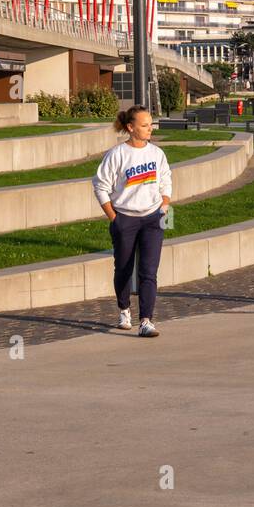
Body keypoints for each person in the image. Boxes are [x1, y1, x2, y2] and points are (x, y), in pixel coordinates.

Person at [93, 105, 173, 338]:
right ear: (131, 127)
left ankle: (146, 321)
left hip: (152, 219)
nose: (150, 129)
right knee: (124, 269)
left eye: (151, 124)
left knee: (149, 271)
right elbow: (100, 185)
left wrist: (164, 204)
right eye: (145, 125)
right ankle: (124, 309)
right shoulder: (117, 154)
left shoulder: (157, 154)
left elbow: (166, 179)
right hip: (125, 219)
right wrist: (114, 217)